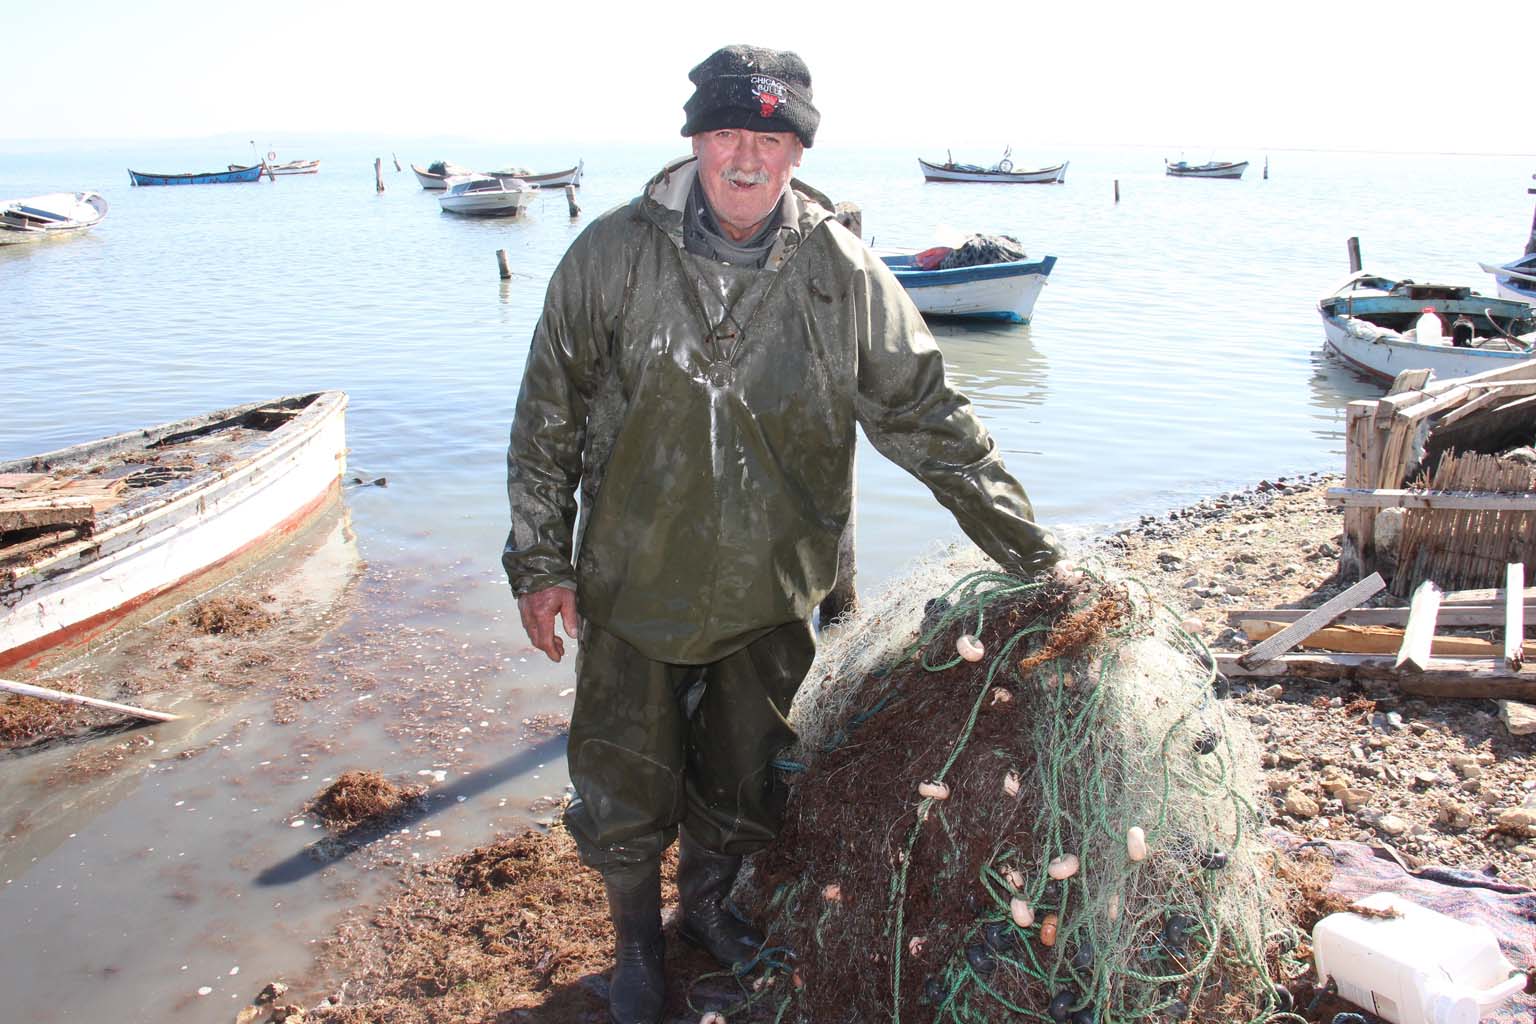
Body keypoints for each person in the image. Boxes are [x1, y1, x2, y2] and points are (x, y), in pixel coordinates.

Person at [502, 44, 1064, 1024]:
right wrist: (541, 560)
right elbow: (547, 409)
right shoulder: (610, 254)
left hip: (771, 589)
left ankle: (707, 911)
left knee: (743, 773)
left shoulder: (840, 272)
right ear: (695, 141)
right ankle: (636, 943)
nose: (746, 158)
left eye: (770, 138)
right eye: (727, 134)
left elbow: (926, 415)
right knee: (624, 779)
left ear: (798, 151)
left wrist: (1028, 549)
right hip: (633, 583)